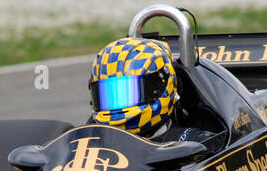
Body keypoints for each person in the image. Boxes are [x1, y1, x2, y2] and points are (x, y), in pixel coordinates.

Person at [88, 36, 225, 149]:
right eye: (109, 96)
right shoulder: (90, 140)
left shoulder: (195, 142)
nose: (117, 109)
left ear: (164, 86)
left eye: (129, 93)